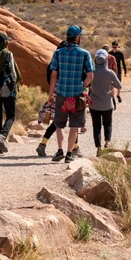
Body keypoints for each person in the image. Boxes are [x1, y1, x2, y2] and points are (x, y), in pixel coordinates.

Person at [47, 25, 94, 163]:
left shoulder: (58, 53)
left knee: (58, 124)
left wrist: (50, 94)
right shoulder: (85, 53)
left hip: (61, 93)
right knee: (74, 126)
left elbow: (53, 75)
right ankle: (69, 154)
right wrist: (82, 86)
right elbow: (90, 76)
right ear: (77, 37)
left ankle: (59, 150)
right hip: (77, 95)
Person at [35, 41, 82, 158]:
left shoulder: (52, 63)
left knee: (58, 121)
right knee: (73, 118)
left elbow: (49, 79)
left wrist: (51, 94)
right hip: (66, 92)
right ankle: (74, 148)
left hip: (55, 93)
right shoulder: (65, 63)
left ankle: (43, 143)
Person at [89, 49, 122, 155]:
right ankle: (107, 142)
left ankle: (98, 148)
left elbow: (86, 83)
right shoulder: (109, 72)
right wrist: (110, 84)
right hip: (107, 103)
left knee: (96, 126)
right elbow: (119, 86)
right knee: (107, 123)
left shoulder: (92, 72)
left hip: (94, 104)